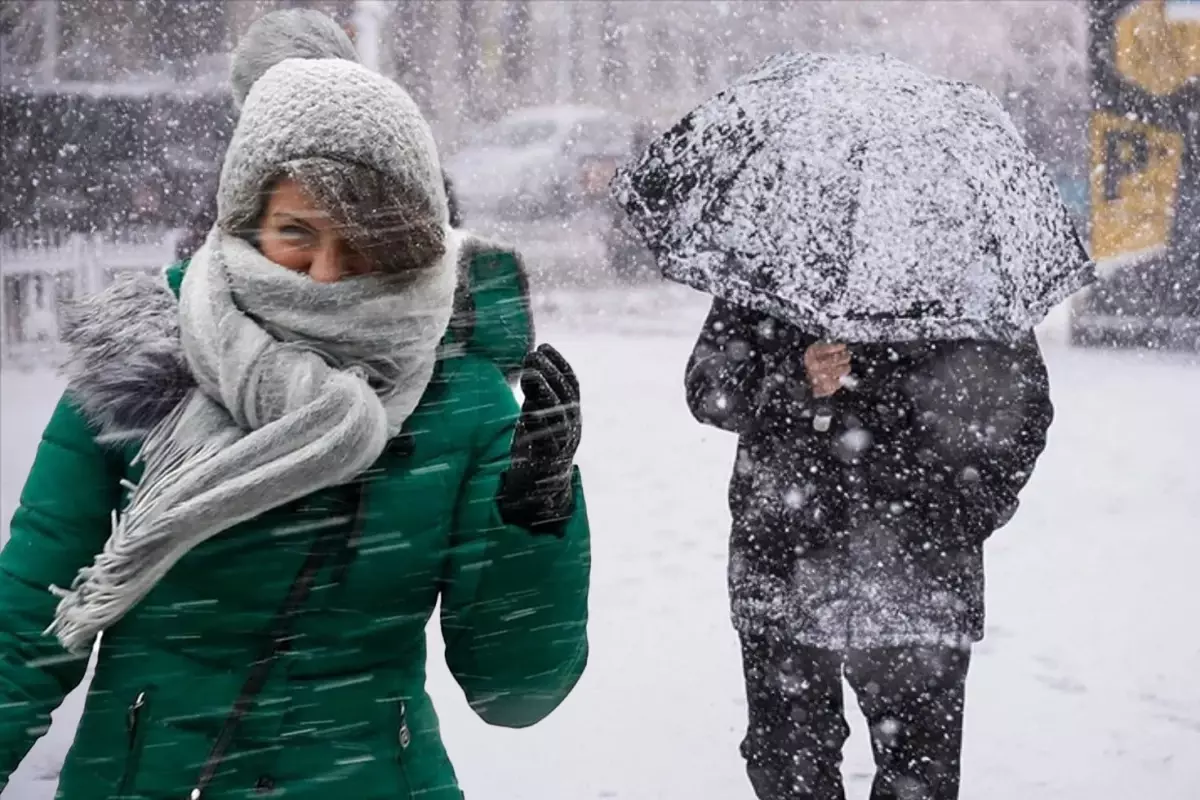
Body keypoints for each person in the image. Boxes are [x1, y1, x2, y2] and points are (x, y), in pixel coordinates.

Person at [0, 10, 589, 800]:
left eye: (362, 242)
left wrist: (536, 518)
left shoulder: (462, 399)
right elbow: (30, 614)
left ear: (411, 242)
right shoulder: (145, 357)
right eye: (294, 232)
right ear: (245, 220)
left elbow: (514, 690)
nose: (322, 275)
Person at [685, 299, 1052, 800]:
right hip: (786, 566)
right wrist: (795, 375)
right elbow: (709, 389)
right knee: (789, 771)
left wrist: (963, 511)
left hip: (920, 577)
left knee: (920, 781)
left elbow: (1022, 405)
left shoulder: (962, 267)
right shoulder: (779, 253)